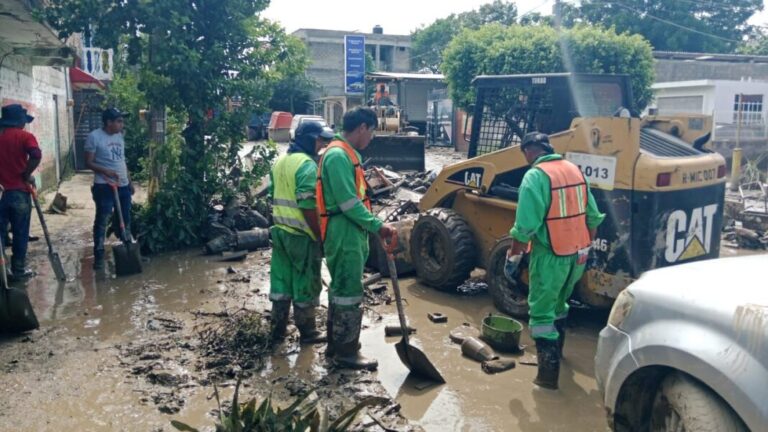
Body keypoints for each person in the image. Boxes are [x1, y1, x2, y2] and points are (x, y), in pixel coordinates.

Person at [507, 132, 605, 390]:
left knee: (541, 315)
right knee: (560, 303)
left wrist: (514, 257)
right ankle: (559, 355)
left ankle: (547, 379)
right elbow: (593, 217)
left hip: (550, 256)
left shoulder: (535, 177)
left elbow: (525, 227)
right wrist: (585, 246)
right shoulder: (574, 170)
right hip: (578, 254)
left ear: (528, 151)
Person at [317, 107, 395, 370]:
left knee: (341, 289)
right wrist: (378, 226)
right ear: (362, 127)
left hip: (347, 231)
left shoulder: (342, 154)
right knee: (349, 291)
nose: (371, 137)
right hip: (344, 232)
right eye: (371, 131)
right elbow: (348, 202)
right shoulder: (338, 156)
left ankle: (335, 346)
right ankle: (347, 353)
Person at [268, 120, 334, 344]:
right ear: (309, 140)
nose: (322, 146)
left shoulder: (280, 161)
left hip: (280, 232)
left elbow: (273, 194)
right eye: (319, 141)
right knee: (306, 282)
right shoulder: (306, 166)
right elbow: (307, 207)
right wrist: (320, 235)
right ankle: (308, 332)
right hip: (301, 235)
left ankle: (277, 330)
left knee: (281, 281)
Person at [85, 108, 134, 270]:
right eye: (119, 121)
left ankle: (128, 249)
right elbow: (88, 162)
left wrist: (130, 182)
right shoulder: (94, 137)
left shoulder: (119, 136)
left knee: (125, 218)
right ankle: (99, 255)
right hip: (104, 185)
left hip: (123, 184)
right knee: (103, 219)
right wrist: (105, 171)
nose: (122, 124)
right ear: (108, 122)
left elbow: (122, 160)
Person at [0, 104, 41, 280]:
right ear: (19, 121)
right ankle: (18, 269)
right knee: (20, 232)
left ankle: (2, 271)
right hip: (19, 192)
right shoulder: (25, 136)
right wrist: (26, 173)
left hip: (2, 193)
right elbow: (36, 154)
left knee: (1, 234)